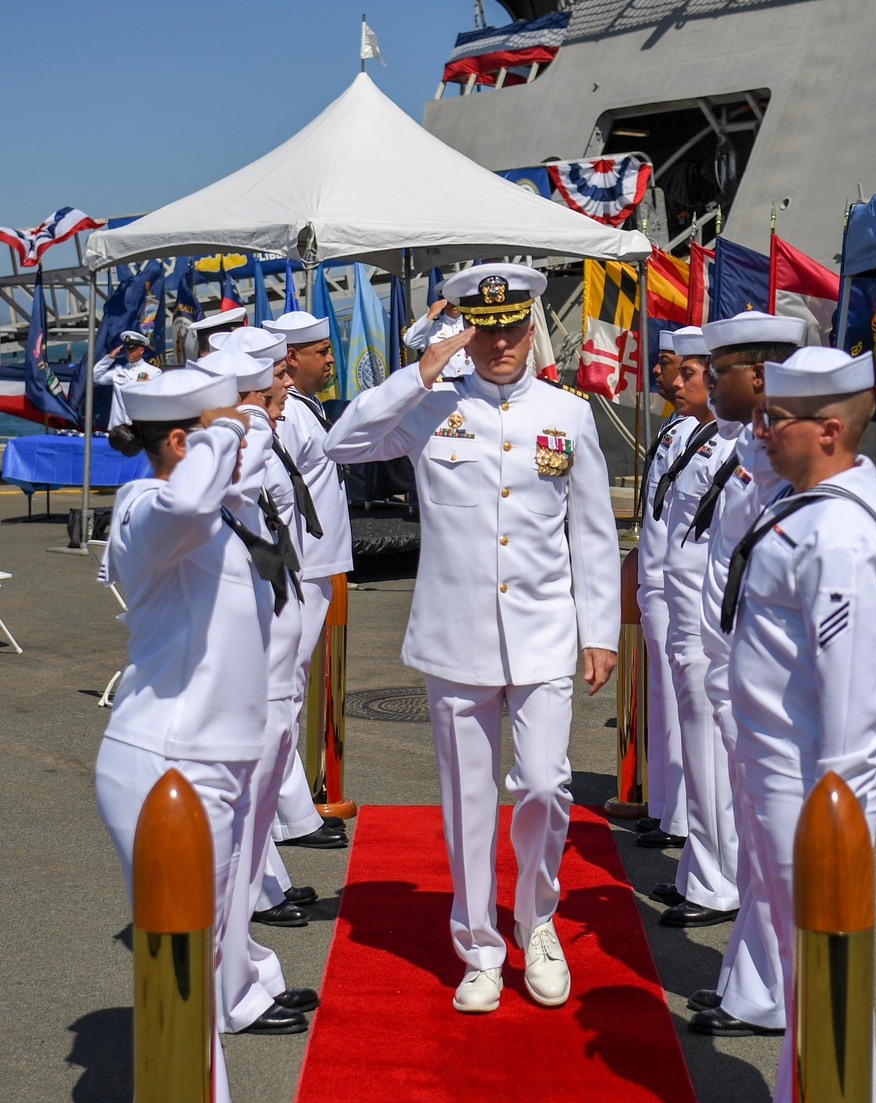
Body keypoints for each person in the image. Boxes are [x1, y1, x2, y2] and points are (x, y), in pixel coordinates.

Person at [324, 263, 621, 1013]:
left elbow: (590, 529)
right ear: (467, 333)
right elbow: (340, 443)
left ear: (534, 328)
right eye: (485, 331)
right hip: (457, 635)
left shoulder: (567, 413)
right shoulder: (431, 408)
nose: (501, 344)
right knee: (466, 799)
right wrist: (421, 369)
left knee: (548, 784)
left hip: (547, 631)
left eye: (514, 328)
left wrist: (601, 630)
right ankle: (481, 947)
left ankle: (540, 918)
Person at [95, 368, 292, 1103]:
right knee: (179, 954)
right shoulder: (147, 507)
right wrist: (220, 430)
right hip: (165, 764)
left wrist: (236, 431)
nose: (244, 433)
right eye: (221, 428)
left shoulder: (212, 509)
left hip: (209, 760)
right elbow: (183, 505)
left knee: (200, 951)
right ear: (183, 439)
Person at [725, 347, 876, 1103]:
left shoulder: (834, 535)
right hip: (781, 771)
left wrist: (834, 813)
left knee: (825, 965)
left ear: (829, 431)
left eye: (776, 419)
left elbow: (849, 703)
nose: (759, 430)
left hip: (815, 786)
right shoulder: (805, 501)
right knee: (805, 967)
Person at [686, 310, 806, 1035]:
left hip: (763, 689)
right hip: (734, 678)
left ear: (758, 376)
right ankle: (751, 988)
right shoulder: (748, 446)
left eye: (719, 367)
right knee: (761, 854)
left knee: (772, 852)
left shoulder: (780, 460)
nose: (708, 379)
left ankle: (768, 998)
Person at [193, 344, 317, 1038]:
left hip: (270, 699)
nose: (278, 395)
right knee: (232, 850)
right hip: (242, 706)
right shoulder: (218, 484)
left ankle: (246, 972)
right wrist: (245, 421)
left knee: (246, 844)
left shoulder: (249, 456)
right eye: (264, 388)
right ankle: (232, 987)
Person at [261, 310, 354, 854]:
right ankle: (287, 814)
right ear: (291, 358)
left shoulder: (303, 409)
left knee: (288, 692)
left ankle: (287, 812)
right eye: (321, 350)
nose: (330, 359)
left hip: (316, 565)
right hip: (301, 566)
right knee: (283, 692)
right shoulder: (288, 415)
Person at [657, 326, 740, 928]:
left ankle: (718, 883)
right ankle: (699, 869)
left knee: (712, 754)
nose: (679, 382)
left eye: (693, 373)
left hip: (712, 627)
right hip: (691, 622)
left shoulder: (746, 451)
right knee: (697, 748)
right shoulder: (713, 441)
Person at [634, 329, 688, 852]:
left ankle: (682, 818)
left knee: (679, 705)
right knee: (661, 699)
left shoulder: (704, 435)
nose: (658, 370)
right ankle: (665, 806)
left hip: (679, 587)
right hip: (655, 580)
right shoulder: (676, 426)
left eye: (669, 363)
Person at [93, 331, 160, 430]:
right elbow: (95, 376)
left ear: (141, 350)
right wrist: (109, 358)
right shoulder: (118, 371)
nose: (128, 352)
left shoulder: (154, 373)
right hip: (118, 427)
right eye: (127, 349)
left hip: (141, 427)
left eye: (132, 349)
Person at [403, 295, 474, 379]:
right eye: (449, 302)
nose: (454, 306)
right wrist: (430, 315)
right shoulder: (431, 327)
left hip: (470, 385)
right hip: (441, 385)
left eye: (457, 301)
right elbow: (410, 341)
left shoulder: (473, 325)